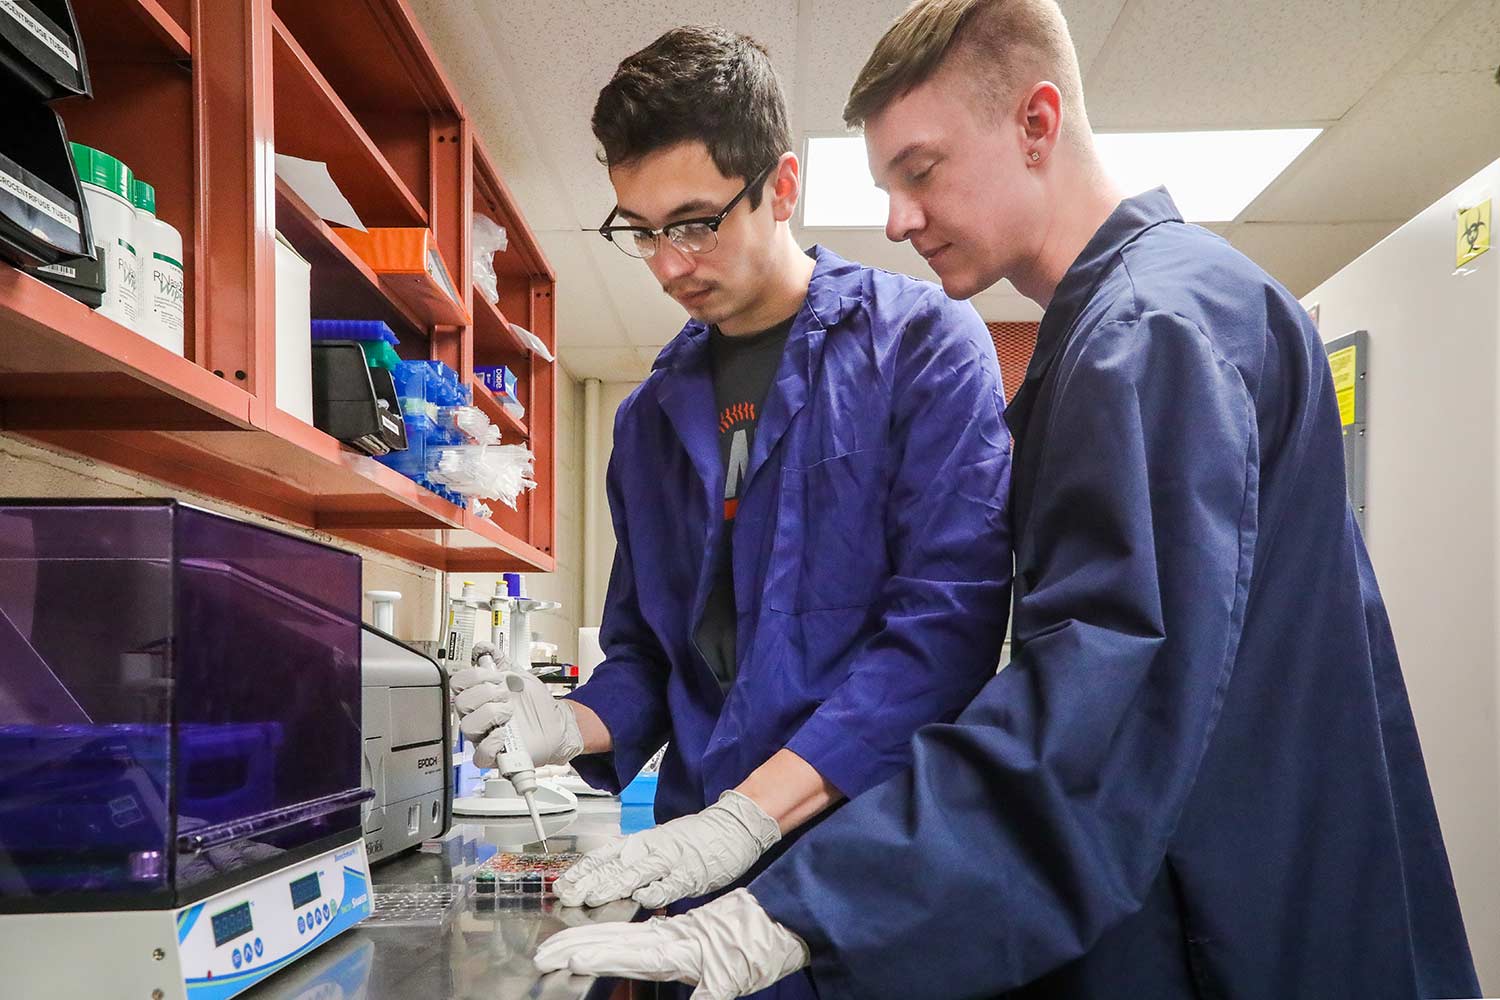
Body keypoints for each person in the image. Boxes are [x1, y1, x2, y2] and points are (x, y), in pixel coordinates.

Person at [533, 2, 1482, 998]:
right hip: (1141, 897)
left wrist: (793, 902)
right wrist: (574, 725)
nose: (896, 219)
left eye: (920, 171)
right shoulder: (1101, 336)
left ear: (1035, 124)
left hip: (1221, 924)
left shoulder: (1151, 335)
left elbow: (1086, 719)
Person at [452, 23, 1014, 1000]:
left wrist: (749, 819)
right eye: (639, 227)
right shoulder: (648, 420)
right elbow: (649, 657)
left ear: (782, 188)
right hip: (691, 898)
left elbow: (942, 639)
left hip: (869, 895)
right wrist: (569, 723)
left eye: (696, 220)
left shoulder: (921, 348)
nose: (668, 264)